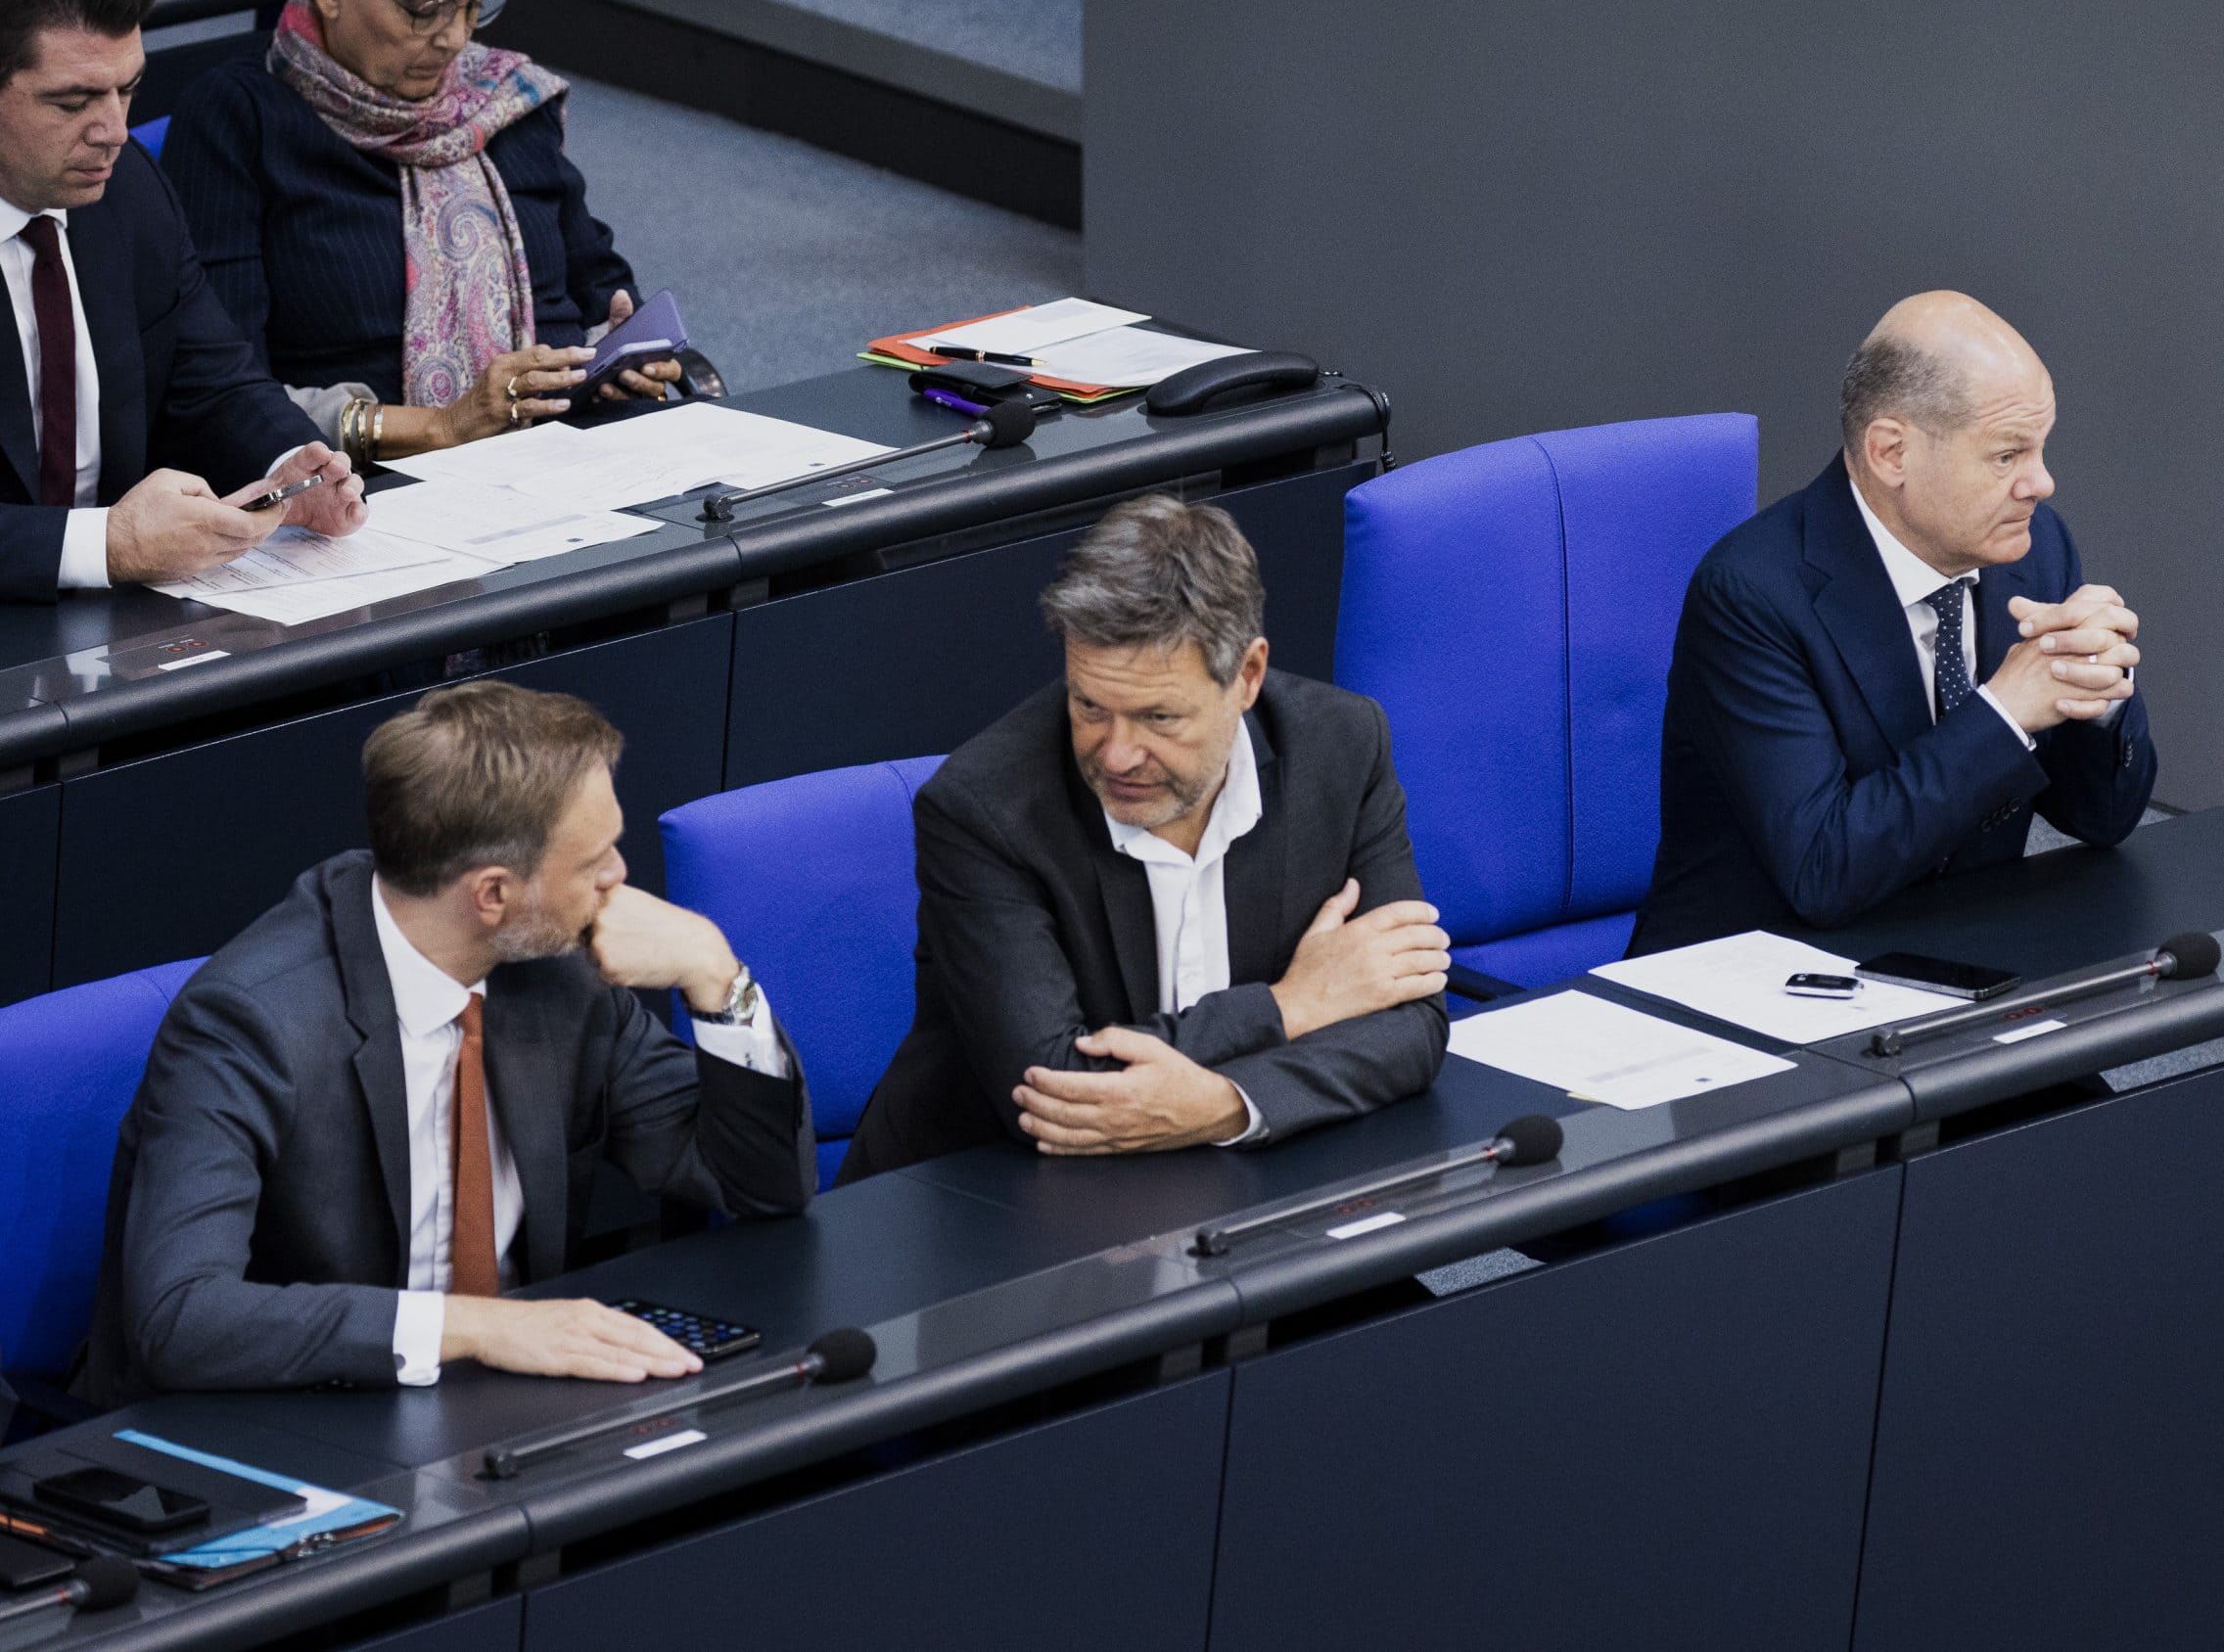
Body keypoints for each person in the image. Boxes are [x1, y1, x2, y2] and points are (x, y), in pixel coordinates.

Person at [76, 682, 814, 1406]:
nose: (620, 878)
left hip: (499, 1405)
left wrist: (719, 975)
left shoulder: (561, 977)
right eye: (595, 860)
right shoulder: (248, 1024)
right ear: (492, 893)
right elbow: (179, 1317)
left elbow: (759, 1183)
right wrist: (474, 1328)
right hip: (297, 1413)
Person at [839, 494, 1452, 1180]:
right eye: (1090, 706)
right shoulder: (983, 810)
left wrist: (1225, 1104)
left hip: (1229, 1182)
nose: (1118, 754)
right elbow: (1058, 1084)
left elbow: (1410, 1022)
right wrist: (1294, 1004)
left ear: (1247, 676)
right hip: (993, 1207)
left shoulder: (1341, 747)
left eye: (1159, 716)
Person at [1627, 291, 2156, 955]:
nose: (2041, 483)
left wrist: (2098, 697)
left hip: (1957, 963)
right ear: (1890, 454)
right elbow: (1824, 870)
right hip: (1760, 983)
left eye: (2041, 449)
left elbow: (2102, 818)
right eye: (2006, 456)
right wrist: (2007, 711)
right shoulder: (1752, 595)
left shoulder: (2034, 548)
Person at [161, 0, 682, 466]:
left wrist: (626, 358)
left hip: (572, 448)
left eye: (476, 5)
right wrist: (442, 427)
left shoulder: (506, 98)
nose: (454, 38)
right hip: (367, 478)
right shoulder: (238, 117)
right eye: (424, 9)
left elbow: (598, 280)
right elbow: (225, 387)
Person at [0, 0, 362, 603]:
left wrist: (289, 469)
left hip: (121, 610)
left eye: (128, 89)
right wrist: (105, 544)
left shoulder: (128, 188)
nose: (114, 130)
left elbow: (213, 380)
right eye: (73, 102)